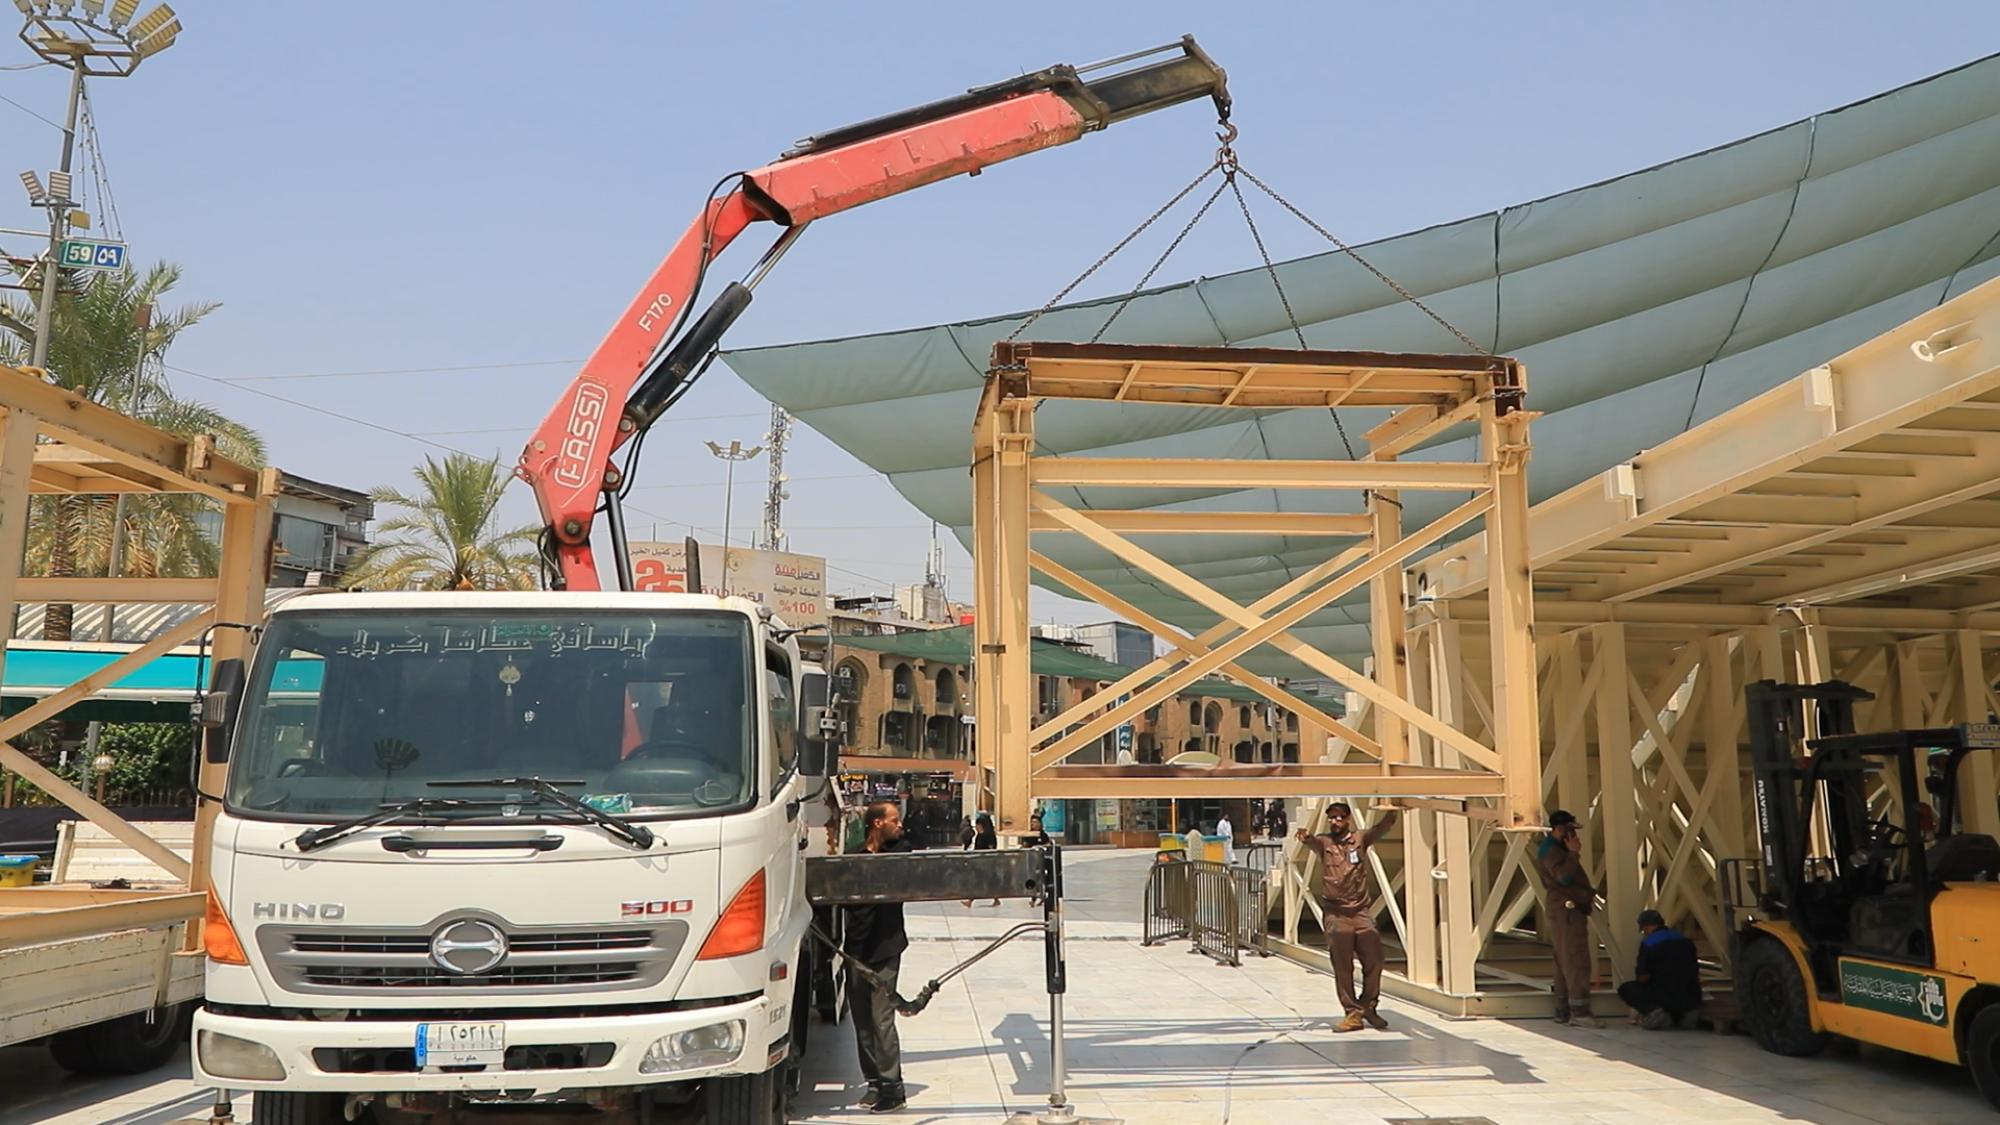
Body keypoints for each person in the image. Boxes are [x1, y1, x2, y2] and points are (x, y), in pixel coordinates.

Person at [1297, 801, 1398, 1032]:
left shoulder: (1360, 839)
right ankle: (1352, 1012)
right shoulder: (1324, 842)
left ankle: (1368, 1005)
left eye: (1339, 817)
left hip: (1360, 911)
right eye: (1332, 817)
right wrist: (1305, 837)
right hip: (1336, 913)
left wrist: (1393, 805)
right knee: (1343, 965)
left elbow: (1384, 826)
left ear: (1348, 818)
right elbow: (1311, 841)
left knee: (1375, 959)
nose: (1335, 821)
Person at [843, 801, 911, 1112]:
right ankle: (873, 1083)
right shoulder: (853, 857)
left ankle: (892, 1088)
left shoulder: (899, 852)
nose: (900, 825)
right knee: (862, 1022)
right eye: (895, 820)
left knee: (882, 1020)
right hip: (856, 951)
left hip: (886, 948)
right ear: (877, 823)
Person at [1535, 809, 1602, 1027]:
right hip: (1567, 911)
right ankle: (1580, 1012)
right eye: (1570, 830)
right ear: (1559, 829)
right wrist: (1574, 853)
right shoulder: (1552, 851)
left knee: (1564, 958)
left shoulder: (1553, 848)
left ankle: (1563, 1009)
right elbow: (1563, 877)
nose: (1574, 835)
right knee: (1575, 958)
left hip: (1564, 909)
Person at [1619, 910, 1702, 1030]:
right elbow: (1695, 971)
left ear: (1646, 926)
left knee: (1627, 989)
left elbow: (1643, 976)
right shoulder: (1686, 940)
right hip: (1690, 995)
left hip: (1663, 995)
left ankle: (1655, 1012)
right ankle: (1686, 1013)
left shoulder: (1649, 943)